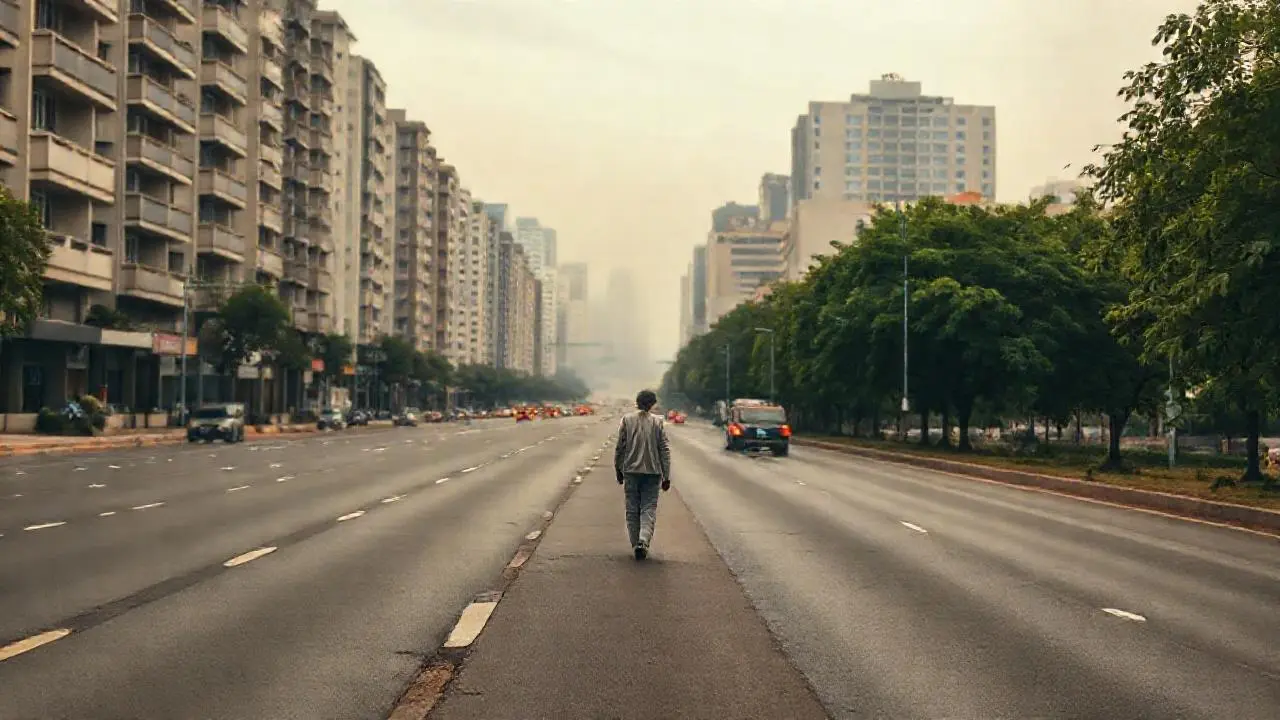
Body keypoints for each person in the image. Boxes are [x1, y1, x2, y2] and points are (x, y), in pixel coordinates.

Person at [614, 389, 672, 560]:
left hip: (631, 472)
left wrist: (618, 469)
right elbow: (664, 450)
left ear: (637, 402)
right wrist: (666, 476)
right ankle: (643, 540)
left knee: (632, 509)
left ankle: (635, 544)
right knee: (648, 508)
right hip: (653, 473)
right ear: (652, 404)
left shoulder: (627, 420)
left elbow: (620, 448)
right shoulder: (658, 422)